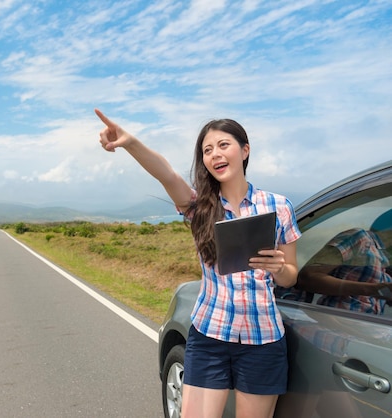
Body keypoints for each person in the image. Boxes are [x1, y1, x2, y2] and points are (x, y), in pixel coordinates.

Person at [95, 109, 301, 418]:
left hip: (263, 339)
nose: (215, 154)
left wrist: (278, 268)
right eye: (207, 150)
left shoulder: (278, 206)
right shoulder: (200, 207)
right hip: (211, 337)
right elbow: (167, 174)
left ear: (244, 150)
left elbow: (291, 278)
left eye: (223, 145)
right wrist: (130, 143)